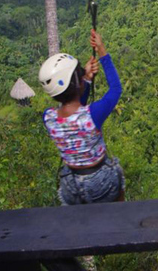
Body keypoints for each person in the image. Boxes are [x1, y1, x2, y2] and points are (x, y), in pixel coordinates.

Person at [38, 29, 125, 204]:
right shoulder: (93, 115)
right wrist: (102, 51)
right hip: (100, 182)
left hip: (70, 184)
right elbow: (116, 89)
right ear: (77, 85)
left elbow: (74, 109)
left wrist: (85, 79)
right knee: (117, 173)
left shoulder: (49, 118)